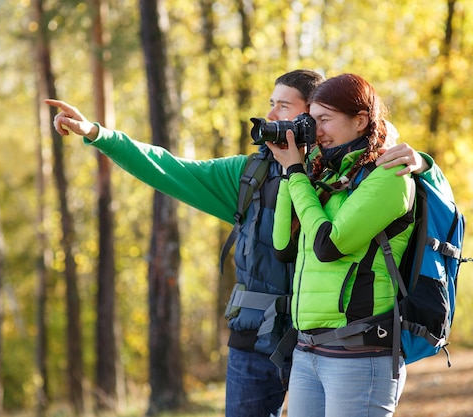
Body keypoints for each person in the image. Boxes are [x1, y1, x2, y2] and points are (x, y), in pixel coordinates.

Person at [45, 69, 435, 417]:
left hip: (341, 341)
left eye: (285, 107)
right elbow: (168, 168)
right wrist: (99, 134)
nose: (272, 117)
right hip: (261, 338)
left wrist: (423, 161)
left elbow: (392, 177)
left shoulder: (365, 168)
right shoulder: (253, 173)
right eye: (271, 105)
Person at [266, 73, 451, 417]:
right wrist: (291, 172)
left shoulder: (388, 177)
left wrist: (295, 171)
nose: (317, 130)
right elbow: (282, 248)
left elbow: (328, 245)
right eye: (313, 120)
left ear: (360, 120)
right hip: (308, 350)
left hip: (362, 353)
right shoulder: (327, 178)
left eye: (325, 120)